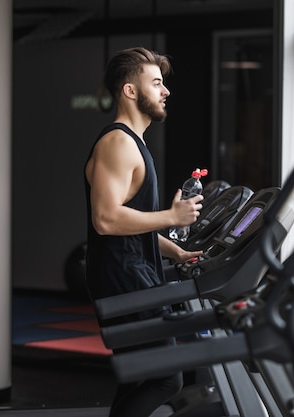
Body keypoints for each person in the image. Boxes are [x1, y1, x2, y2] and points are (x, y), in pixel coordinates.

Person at [84, 46, 203, 417]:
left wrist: (177, 253)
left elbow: (132, 224)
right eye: (156, 83)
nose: (165, 91)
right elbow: (106, 219)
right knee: (167, 378)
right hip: (124, 277)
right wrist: (172, 216)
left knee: (142, 376)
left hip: (134, 272)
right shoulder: (118, 143)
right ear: (130, 91)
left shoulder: (134, 144)